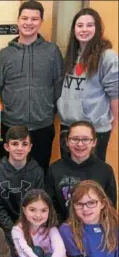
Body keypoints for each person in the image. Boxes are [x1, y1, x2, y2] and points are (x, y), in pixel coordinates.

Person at [0, 0, 64, 175]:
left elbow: (59, 86)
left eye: (34, 19)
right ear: (18, 20)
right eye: (24, 18)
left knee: (40, 172)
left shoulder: (52, 52)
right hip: (11, 125)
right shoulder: (5, 54)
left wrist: (48, 111)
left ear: (41, 22)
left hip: (43, 126)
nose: (29, 23)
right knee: (11, 173)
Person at [57, 8, 118, 162]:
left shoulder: (107, 57)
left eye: (90, 25)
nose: (84, 29)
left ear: (97, 28)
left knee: (91, 180)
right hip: (68, 127)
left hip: (95, 130)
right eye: (80, 25)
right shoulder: (71, 55)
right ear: (74, 29)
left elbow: (115, 95)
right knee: (69, 178)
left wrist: (113, 124)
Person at [60, 180, 118, 257]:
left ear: (102, 203)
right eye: (79, 204)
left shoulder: (115, 226)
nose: (85, 209)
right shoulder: (67, 230)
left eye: (91, 203)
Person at [46, 121, 117, 224]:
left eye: (85, 139)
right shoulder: (55, 169)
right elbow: (50, 205)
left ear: (94, 142)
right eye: (74, 139)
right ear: (67, 141)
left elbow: (111, 207)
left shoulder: (105, 170)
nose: (80, 144)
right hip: (63, 229)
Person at [0, 126, 44, 246]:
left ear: (30, 147)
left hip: (30, 226)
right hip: (2, 228)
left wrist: (26, 228)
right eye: (14, 144)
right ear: (6, 147)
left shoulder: (37, 171)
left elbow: (38, 204)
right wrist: (13, 229)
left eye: (24, 144)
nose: (19, 148)